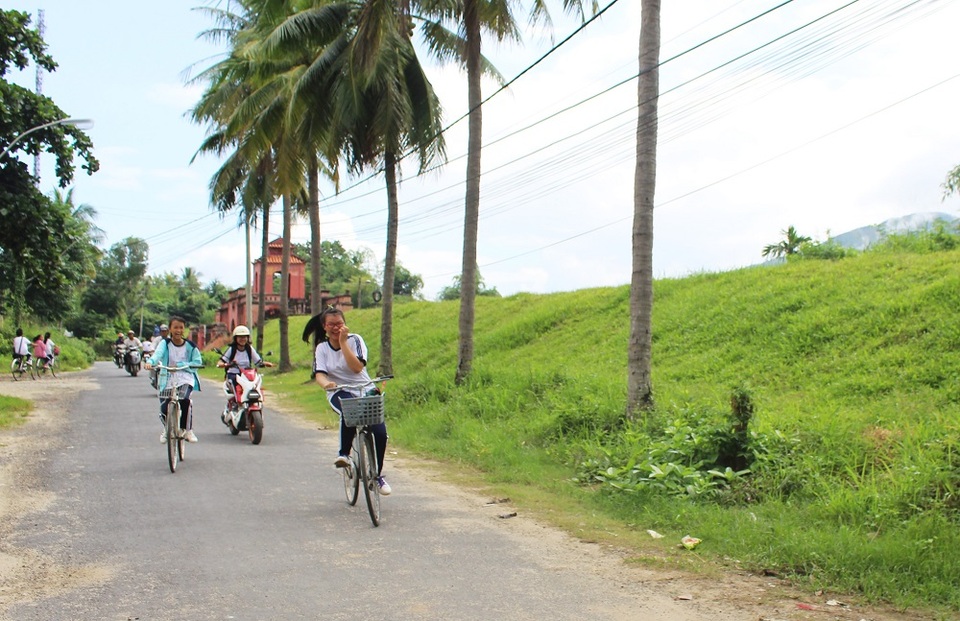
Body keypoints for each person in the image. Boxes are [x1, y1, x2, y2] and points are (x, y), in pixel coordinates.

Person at [312, 307, 391, 495]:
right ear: (324, 327)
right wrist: (326, 385)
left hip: (365, 388)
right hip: (338, 391)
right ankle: (344, 455)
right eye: (331, 324)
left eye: (339, 324)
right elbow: (320, 375)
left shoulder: (355, 340)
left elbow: (356, 368)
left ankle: (377, 476)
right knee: (350, 410)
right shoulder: (322, 348)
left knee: (379, 432)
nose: (335, 327)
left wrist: (343, 343)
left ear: (344, 324)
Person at [146, 316, 202, 444]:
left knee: (185, 400)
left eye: (181, 327)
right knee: (164, 407)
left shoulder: (191, 346)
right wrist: (150, 362)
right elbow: (157, 355)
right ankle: (167, 430)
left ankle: (187, 430)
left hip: (185, 378)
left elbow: (197, 362)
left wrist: (181, 365)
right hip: (167, 378)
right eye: (175, 327)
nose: (178, 330)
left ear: (184, 329)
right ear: (170, 329)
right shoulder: (165, 344)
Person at [216, 325, 273, 416]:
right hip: (233, 374)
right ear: (236, 338)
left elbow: (257, 361)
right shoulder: (232, 349)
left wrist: (265, 363)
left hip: (247, 374)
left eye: (245, 337)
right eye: (240, 337)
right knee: (236, 383)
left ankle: (255, 401)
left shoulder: (249, 349)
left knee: (255, 383)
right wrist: (225, 364)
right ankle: (238, 403)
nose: (243, 339)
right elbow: (221, 361)